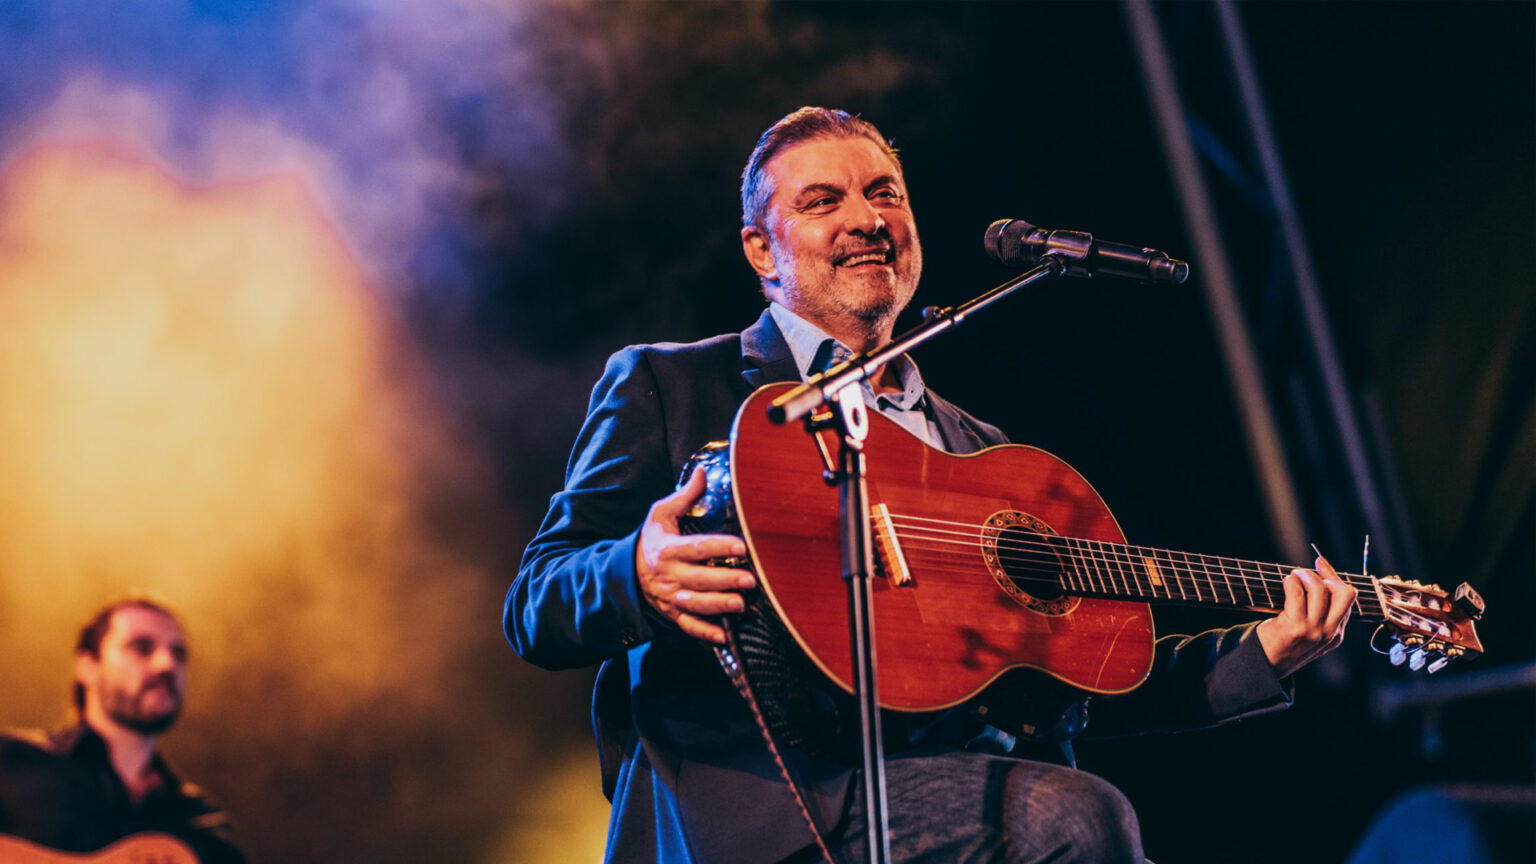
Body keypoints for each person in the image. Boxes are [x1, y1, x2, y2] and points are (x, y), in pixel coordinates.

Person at [505, 107, 1356, 863]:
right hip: (767, 812)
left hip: (953, 792)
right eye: (822, 201)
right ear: (761, 250)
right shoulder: (669, 385)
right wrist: (637, 574)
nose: (867, 218)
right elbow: (535, 600)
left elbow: (1076, 680)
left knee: (1074, 810)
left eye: (886, 193)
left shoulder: (981, 454)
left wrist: (1265, 652)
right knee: (1076, 816)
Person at [0, 597, 245, 863]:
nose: (167, 665)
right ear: (88, 666)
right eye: (142, 648)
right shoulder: (12, 764)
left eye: (178, 654)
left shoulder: (201, 822)